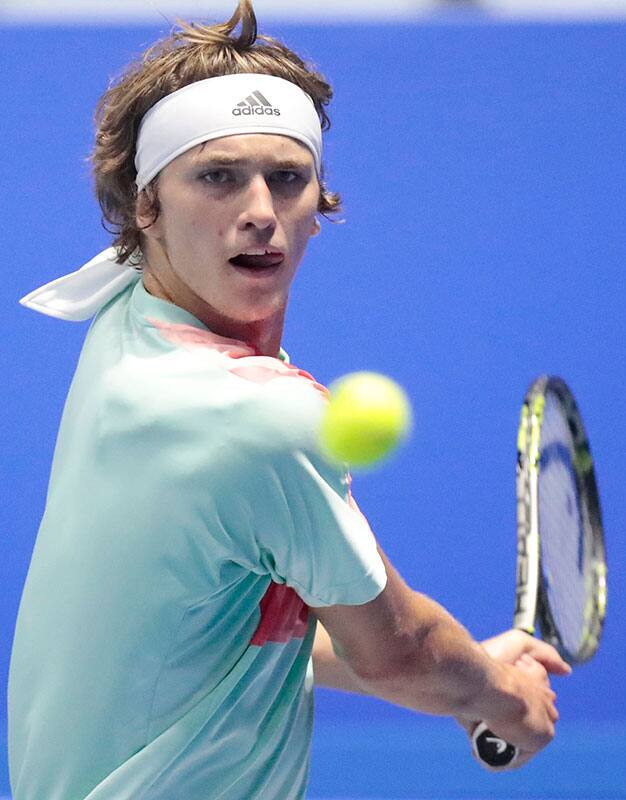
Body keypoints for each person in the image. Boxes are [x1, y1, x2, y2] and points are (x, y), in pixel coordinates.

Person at [8, 2, 571, 799]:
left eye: (288, 178)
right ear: (146, 205)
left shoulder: (134, 320)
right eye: (217, 177)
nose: (261, 213)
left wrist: (466, 673)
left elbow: (241, 624)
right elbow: (399, 649)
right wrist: (503, 697)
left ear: (319, 205)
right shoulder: (249, 413)